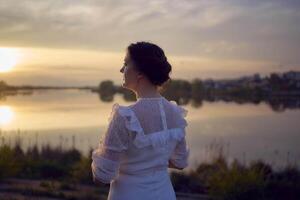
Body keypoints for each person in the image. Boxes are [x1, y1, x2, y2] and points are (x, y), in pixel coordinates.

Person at [91, 41, 190, 200]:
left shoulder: (125, 117)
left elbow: (102, 176)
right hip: (165, 194)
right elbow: (180, 162)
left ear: (140, 73)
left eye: (126, 63)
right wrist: (152, 164)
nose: (121, 69)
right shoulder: (175, 114)